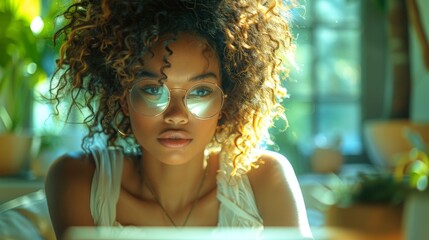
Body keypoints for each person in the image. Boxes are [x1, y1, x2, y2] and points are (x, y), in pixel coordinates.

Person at [44, 0, 313, 239]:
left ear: (226, 103)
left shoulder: (265, 178)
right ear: (124, 99)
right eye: (153, 90)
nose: (176, 116)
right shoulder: (78, 179)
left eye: (200, 92)